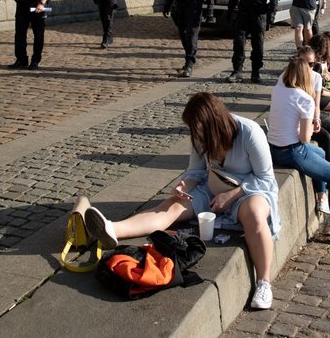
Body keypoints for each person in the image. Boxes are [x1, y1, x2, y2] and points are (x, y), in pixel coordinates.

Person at [83, 92, 279, 310]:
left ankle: (264, 283)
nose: (196, 135)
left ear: (214, 124)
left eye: (199, 130)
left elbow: (265, 178)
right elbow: (195, 171)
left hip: (248, 191)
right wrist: (182, 186)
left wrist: (231, 195)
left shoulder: (249, 132)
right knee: (171, 207)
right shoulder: (199, 134)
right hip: (213, 186)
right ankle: (112, 229)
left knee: (254, 216)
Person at [267, 58, 330, 246]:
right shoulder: (305, 99)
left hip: (273, 147)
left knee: (320, 154)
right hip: (291, 151)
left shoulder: (278, 89)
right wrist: (313, 124)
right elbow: (304, 139)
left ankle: (322, 195)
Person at [225, 0, 277, 84]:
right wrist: (229, 11)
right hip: (243, 13)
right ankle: (237, 71)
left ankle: (255, 72)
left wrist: (271, 13)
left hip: (259, 15)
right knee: (239, 43)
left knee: (258, 45)